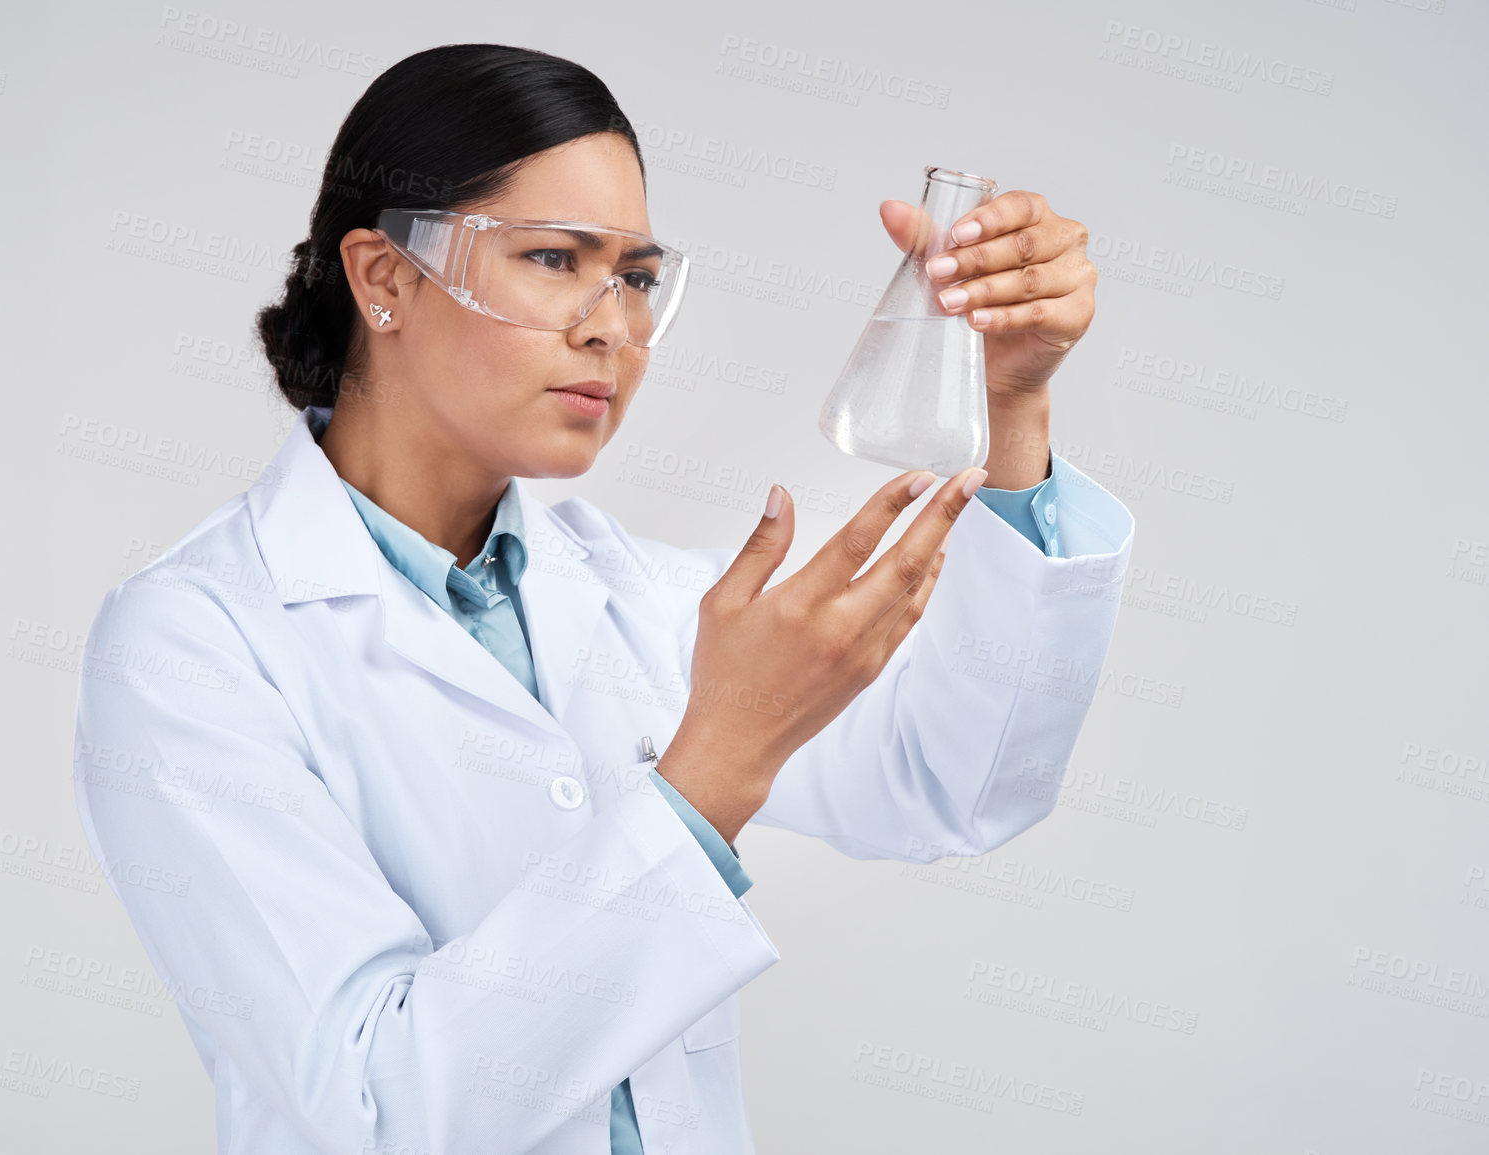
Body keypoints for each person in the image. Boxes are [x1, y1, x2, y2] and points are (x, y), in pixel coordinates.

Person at [70, 42, 1134, 1155]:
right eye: (552, 259)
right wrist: (715, 767)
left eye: (633, 276)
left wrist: (1013, 403)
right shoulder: (196, 644)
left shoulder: (634, 594)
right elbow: (374, 1111)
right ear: (384, 279)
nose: (611, 328)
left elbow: (959, 783)